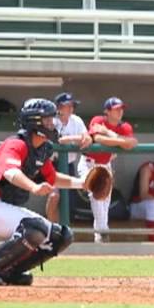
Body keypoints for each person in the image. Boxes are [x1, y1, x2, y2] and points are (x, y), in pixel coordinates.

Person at [0, 99, 86, 286]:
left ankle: (10, 272)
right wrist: (33, 187)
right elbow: (10, 172)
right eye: (47, 120)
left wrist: (83, 184)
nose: (52, 124)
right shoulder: (16, 144)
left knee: (61, 237)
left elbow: (53, 177)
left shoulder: (40, 149)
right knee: (34, 229)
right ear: (34, 123)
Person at [79, 97, 138, 243]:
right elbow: (98, 138)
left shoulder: (124, 127)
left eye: (121, 109)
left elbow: (131, 143)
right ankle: (103, 231)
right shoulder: (98, 119)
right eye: (116, 109)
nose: (120, 112)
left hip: (106, 164)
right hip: (89, 163)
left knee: (104, 203)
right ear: (107, 111)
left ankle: (100, 238)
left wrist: (109, 133)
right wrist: (120, 141)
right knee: (96, 195)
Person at [46, 92, 92, 223]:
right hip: (52, 164)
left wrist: (69, 139)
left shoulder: (76, 120)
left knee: (69, 204)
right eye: (68, 106)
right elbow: (55, 140)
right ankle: (51, 228)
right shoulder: (51, 120)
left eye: (72, 106)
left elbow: (87, 139)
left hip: (69, 165)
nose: (71, 109)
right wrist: (73, 140)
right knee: (54, 196)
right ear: (59, 107)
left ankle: (62, 233)